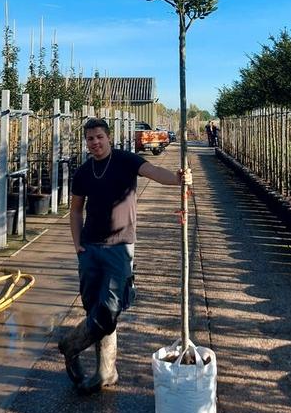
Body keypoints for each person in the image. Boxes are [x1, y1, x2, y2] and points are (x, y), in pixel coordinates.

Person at [58, 117, 192, 395]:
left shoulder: (125, 160)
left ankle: (70, 344)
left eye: (99, 137)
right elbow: (75, 211)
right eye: (90, 139)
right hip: (90, 248)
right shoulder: (83, 172)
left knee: (110, 308)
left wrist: (178, 179)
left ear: (108, 138)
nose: (95, 143)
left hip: (119, 247)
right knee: (94, 308)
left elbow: (154, 171)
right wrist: (77, 244)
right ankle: (106, 371)